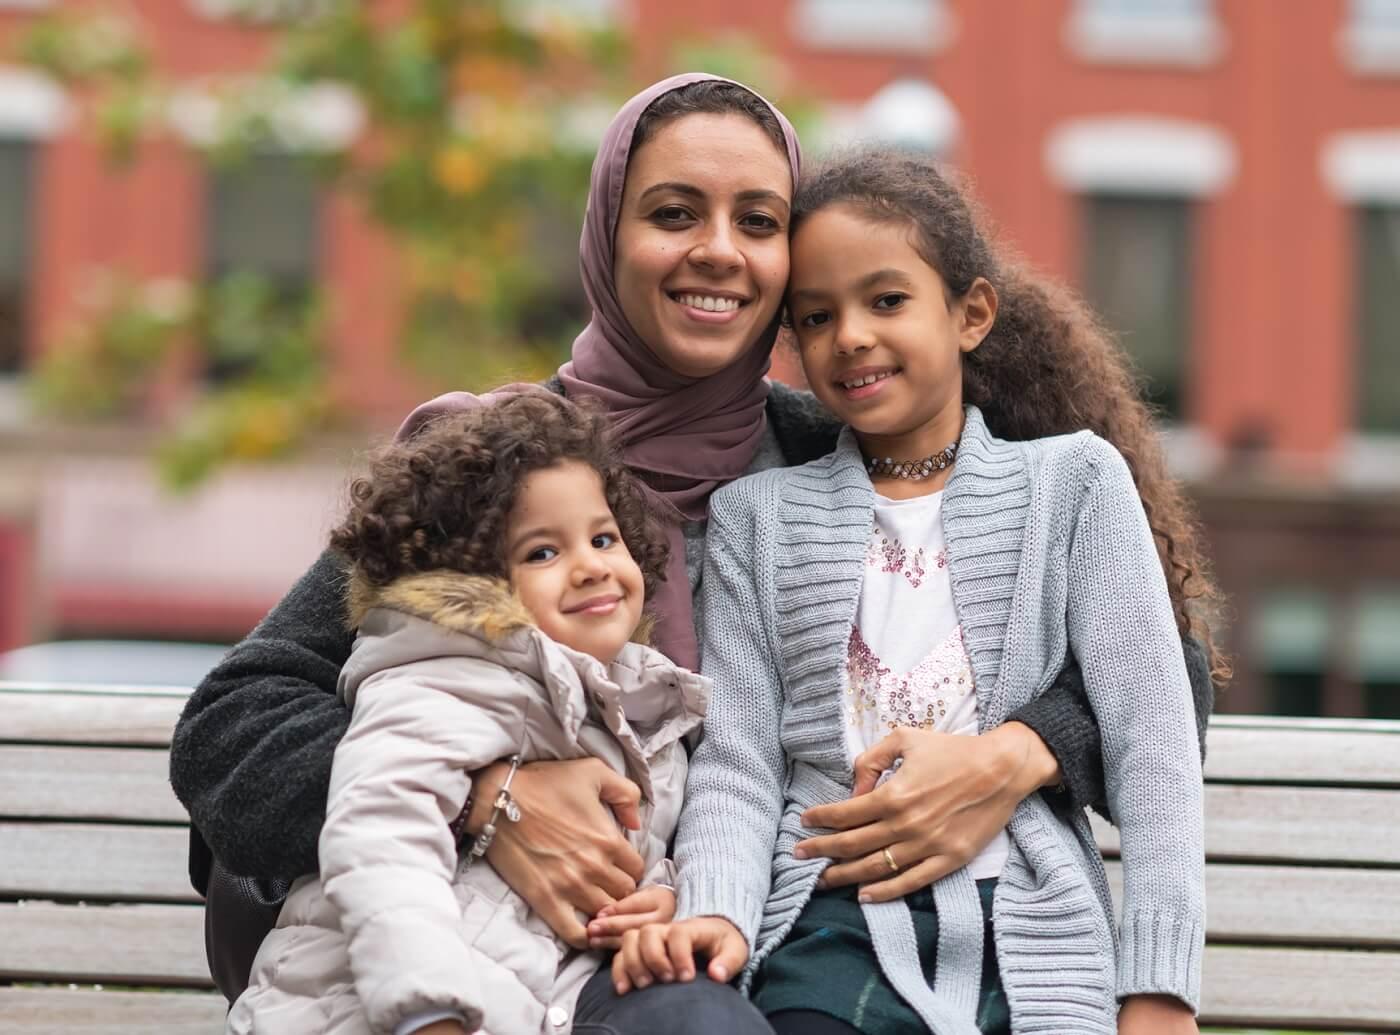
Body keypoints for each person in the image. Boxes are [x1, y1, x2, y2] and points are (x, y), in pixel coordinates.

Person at [170, 74, 1213, 1034]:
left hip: (696, 952)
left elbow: (1164, 681)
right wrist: (486, 803)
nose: (718, 249)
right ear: (604, 238)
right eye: (674, 214)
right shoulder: (496, 463)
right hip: (468, 942)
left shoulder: (829, 458)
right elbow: (238, 716)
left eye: (756, 223)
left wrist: (1009, 755)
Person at [611, 149, 1219, 1035]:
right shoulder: (759, 517)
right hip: (826, 923)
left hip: (1033, 923)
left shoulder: (1075, 485)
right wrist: (719, 909)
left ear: (970, 313)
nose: (850, 335)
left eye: (886, 300)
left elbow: (1152, 736)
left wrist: (1160, 986)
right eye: (816, 317)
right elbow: (741, 762)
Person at [227, 392, 707, 1035]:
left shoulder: (645, 707)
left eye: (602, 537)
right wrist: (426, 1009)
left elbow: (642, 849)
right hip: (372, 1010)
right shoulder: (443, 682)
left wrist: (661, 900)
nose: (592, 566)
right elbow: (379, 841)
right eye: (542, 552)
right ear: (472, 582)